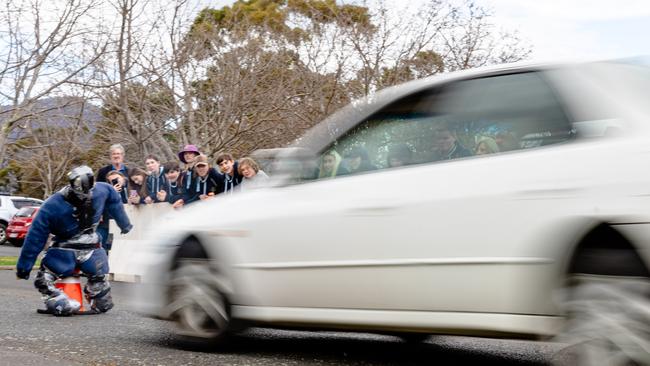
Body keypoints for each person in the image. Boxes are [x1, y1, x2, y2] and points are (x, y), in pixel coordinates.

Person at [15, 166, 132, 316]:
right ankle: (98, 297)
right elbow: (115, 201)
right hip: (86, 251)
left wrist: (24, 269)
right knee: (100, 284)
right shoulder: (103, 190)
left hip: (66, 253)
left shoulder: (51, 205)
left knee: (43, 280)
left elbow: (35, 237)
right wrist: (125, 224)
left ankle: (59, 299)